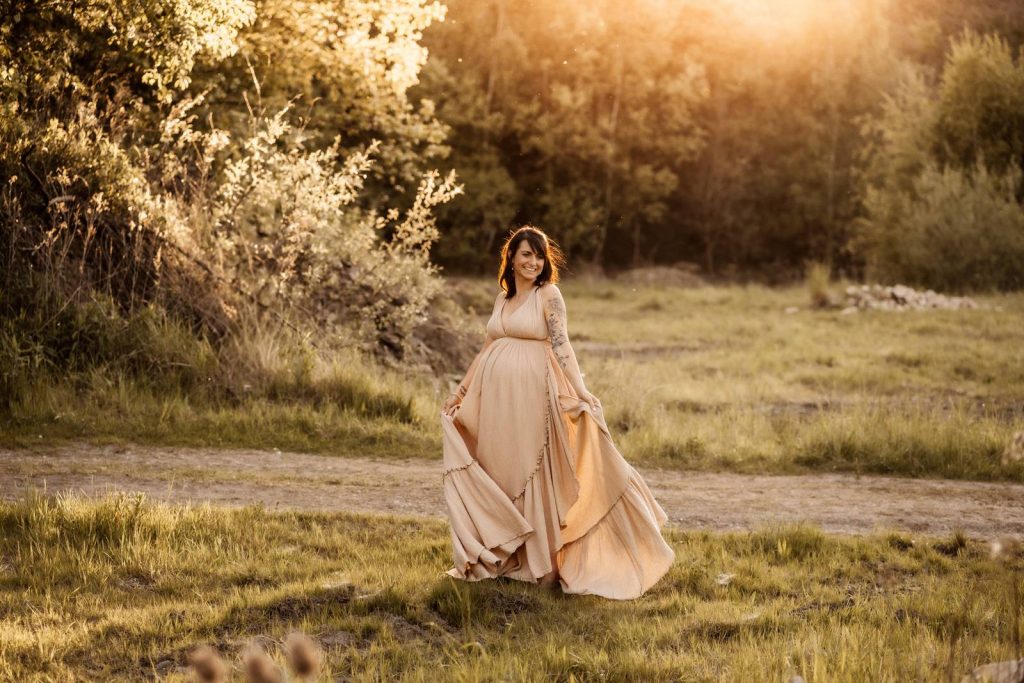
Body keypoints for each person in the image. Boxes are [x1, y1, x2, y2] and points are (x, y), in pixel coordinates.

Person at [440, 226, 674, 599]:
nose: (533, 262)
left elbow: (562, 344)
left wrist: (580, 390)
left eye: (539, 255)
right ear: (512, 258)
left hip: (534, 394)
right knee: (501, 471)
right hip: (495, 402)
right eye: (526, 255)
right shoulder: (503, 298)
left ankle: (543, 565)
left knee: (533, 470)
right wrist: (461, 390)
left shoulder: (549, 294)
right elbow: (487, 347)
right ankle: (507, 557)